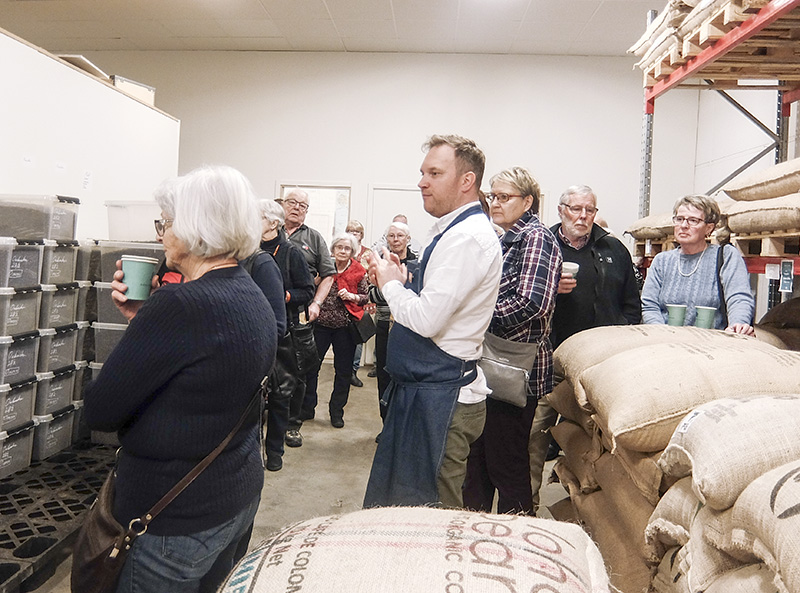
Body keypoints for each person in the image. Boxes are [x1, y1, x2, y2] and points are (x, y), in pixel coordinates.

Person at [83, 165, 277, 593]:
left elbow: (100, 411)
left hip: (173, 522)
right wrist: (144, 320)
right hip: (234, 498)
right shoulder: (250, 292)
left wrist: (146, 321)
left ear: (193, 229)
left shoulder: (178, 306)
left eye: (166, 223)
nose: (161, 234)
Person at [363, 134, 502, 508]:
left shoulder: (468, 239)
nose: (422, 181)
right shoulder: (451, 231)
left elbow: (426, 320)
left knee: (432, 512)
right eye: (423, 172)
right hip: (426, 391)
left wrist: (391, 287)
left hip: (442, 400)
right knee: (406, 504)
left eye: (434, 173)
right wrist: (407, 282)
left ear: (466, 181)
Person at [527, 184, 644, 512]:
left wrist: (619, 340)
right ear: (561, 210)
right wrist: (552, 290)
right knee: (535, 433)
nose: (582, 216)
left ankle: (594, 509)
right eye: (575, 209)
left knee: (600, 438)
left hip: (600, 362)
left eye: (589, 210)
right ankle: (526, 504)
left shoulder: (613, 248)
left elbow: (631, 304)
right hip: (549, 358)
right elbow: (525, 301)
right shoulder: (543, 246)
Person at [462, 167, 561, 515]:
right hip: (494, 364)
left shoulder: (536, 238)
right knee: (480, 460)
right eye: (492, 196)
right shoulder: (506, 237)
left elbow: (532, 303)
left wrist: (474, 317)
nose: (495, 203)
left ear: (528, 201)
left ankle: (515, 538)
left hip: (515, 367)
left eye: (504, 197)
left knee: (506, 463)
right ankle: (475, 529)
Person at [641, 194, 755, 334]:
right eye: (679, 219)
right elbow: (649, 305)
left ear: (709, 228)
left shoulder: (725, 256)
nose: (683, 226)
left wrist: (738, 324)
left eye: (693, 220)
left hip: (710, 343)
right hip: (666, 342)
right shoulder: (662, 261)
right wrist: (661, 333)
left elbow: (738, 297)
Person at [257, 199, 315, 471]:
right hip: (255, 331)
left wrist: (285, 295)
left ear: (272, 223)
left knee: (280, 395)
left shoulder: (291, 253)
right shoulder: (248, 251)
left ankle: (275, 450)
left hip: (284, 332)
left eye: (254, 217)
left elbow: (307, 291)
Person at [281, 189, 336, 447]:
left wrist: (317, 303)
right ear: (282, 204)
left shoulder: (313, 238)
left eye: (303, 205)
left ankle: (293, 424)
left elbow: (328, 274)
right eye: (293, 202)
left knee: (298, 369)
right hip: (267, 311)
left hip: (299, 313)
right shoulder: (268, 232)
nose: (297, 208)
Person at [307, 232, 370, 428]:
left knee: (343, 372)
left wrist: (352, 296)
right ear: (332, 249)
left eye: (347, 248)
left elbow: (365, 297)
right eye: (339, 247)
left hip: (345, 328)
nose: (343, 251)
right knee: (311, 368)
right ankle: (307, 408)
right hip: (320, 326)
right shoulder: (323, 267)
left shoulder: (359, 270)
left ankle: (336, 412)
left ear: (352, 251)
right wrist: (315, 283)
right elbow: (308, 289)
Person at [367, 221, 418, 423]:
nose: (395, 239)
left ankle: (403, 424)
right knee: (384, 374)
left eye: (400, 236)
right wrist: (399, 288)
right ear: (386, 239)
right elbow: (372, 294)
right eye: (391, 236)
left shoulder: (418, 263)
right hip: (384, 323)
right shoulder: (380, 262)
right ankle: (386, 423)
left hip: (409, 327)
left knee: (407, 376)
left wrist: (389, 287)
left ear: (408, 239)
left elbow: (419, 294)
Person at [346, 219, 373, 388]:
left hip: (360, 301)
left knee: (358, 337)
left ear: (361, 235)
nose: (353, 235)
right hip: (341, 302)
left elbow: (372, 277)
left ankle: (353, 371)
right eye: (350, 231)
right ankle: (343, 368)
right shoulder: (341, 249)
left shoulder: (368, 253)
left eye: (356, 232)